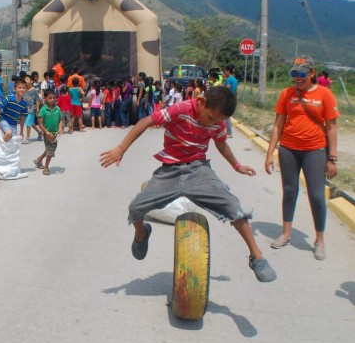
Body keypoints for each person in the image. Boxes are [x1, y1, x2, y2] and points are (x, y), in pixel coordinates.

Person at [100, 86, 277, 283]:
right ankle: (142, 234)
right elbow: (146, 121)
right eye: (211, 118)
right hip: (170, 171)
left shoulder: (217, 123)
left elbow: (220, 144)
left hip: (198, 170)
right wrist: (121, 148)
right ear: (200, 102)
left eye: (219, 122)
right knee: (135, 208)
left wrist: (237, 166)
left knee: (234, 206)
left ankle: (257, 256)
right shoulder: (181, 109)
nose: (213, 124)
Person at [265, 57, 340, 261]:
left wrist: (332, 158)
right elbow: (278, 124)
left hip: (315, 150)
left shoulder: (325, 94)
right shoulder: (286, 94)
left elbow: (332, 127)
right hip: (289, 149)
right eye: (294, 74)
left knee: (316, 195)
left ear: (312, 73)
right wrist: (270, 152)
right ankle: (286, 234)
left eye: (301, 74)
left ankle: (319, 240)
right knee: (289, 192)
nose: (297, 78)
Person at [34, 89, 63, 176]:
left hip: (55, 134)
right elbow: (40, 124)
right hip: (47, 134)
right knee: (50, 151)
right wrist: (47, 133)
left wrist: (60, 127)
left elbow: (60, 119)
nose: (52, 100)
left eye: (54, 98)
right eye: (50, 98)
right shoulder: (43, 110)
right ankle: (46, 167)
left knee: (49, 149)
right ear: (45, 98)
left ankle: (39, 159)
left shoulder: (57, 109)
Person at [0, 76, 28, 142]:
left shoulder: (24, 104)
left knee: (13, 141)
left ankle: (4, 147)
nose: (22, 89)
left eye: (24, 88)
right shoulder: (9, 98)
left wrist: (21, 132)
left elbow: (22, 118)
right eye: (20, 88)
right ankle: (0, 148)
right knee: (8, 133)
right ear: (14, 89)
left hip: (13, 124)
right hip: (3, 120)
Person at [22, 72, 42, 144]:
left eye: (27, 79)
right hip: (25, 109)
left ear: (31, 81)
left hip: (31, 109)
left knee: (28, 123)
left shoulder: (34, 90)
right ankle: (39, 132)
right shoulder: (23, 89)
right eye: (25, 79)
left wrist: (37, 109)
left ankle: (27, 138)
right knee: (30, 123)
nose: (25, 80)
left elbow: (37, 100)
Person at [223, 65, 238, 138]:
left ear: (228, 71)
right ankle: (227, 131)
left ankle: (229, 133)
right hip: (233, 98)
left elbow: (227, 89)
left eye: (225, 71)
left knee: (226, 116)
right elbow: (236, 91)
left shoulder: (228, 79)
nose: (225, 72)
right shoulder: (235, 79)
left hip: (228, 99)